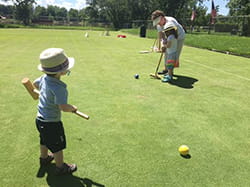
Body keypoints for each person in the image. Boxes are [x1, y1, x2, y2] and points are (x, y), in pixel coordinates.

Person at [33, 48, 78, 175]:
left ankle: (44, 158)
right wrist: (73, 108)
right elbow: (63, 107)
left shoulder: (43, 78)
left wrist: (43, 93)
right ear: (63, 71)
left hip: (40, 119)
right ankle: (60, 167)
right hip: (52, 122)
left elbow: (35, 85)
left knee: (44, 139)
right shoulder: (59, 87)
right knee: (57, 146)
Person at [151, 10, 185, 74]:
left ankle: (170, 73)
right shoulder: (159, 25)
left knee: (173, 54)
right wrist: (161, 45)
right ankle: (166, 69)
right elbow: (161, 35)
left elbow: (172, 38)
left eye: (158, 22)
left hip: (179, 37)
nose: (158, 24)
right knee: (166, 53)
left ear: (162, 18)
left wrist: (165, 45)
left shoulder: (170, 22)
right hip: (169, 36)